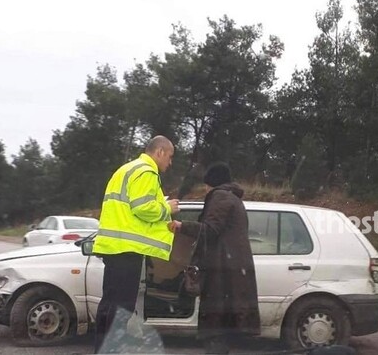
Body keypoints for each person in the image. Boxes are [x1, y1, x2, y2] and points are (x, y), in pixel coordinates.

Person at [92, 135, 180, 353]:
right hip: (126, 249)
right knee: (122, 307)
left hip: (114, 247)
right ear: (159, 152)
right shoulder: (147, 171)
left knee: (109, 304)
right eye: (170, 157)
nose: (170, 163)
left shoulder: (126, 169)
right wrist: (167, 208)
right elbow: (143, 208)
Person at [169, 162, 260, 354]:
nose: (205, 189)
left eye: (206, 185)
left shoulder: (220, 197)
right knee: (223, 334)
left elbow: (210, 231)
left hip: (222, 276)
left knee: (215, 333)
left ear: (213, 183)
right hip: (231, 273)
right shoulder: (233, 198)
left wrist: (181, 225)